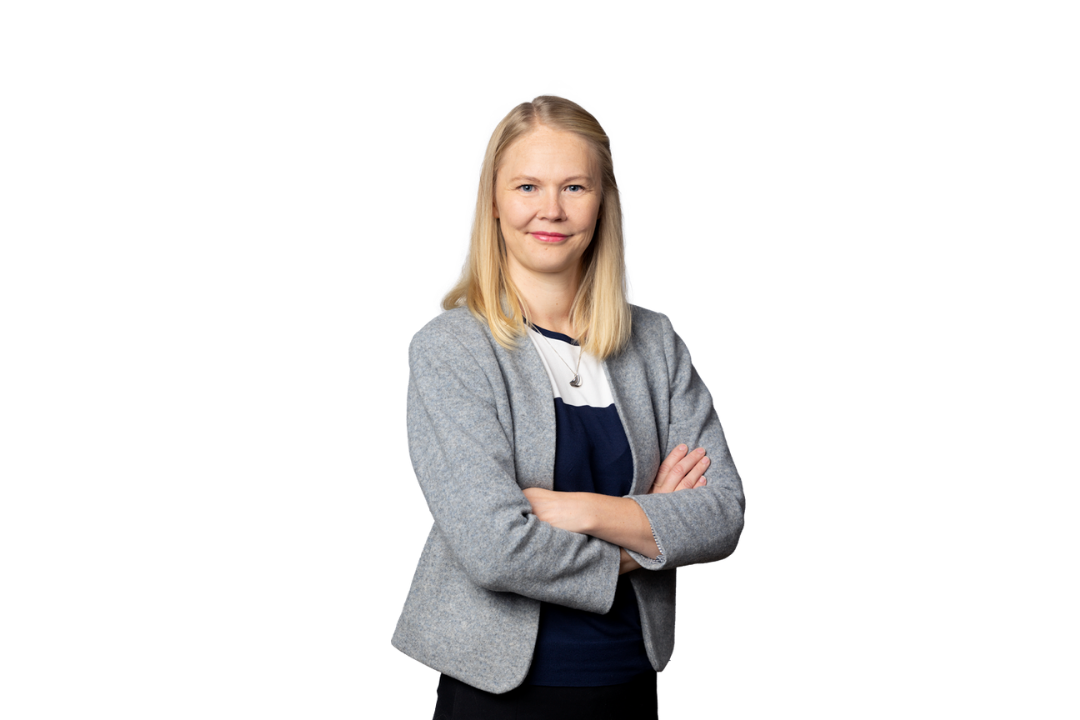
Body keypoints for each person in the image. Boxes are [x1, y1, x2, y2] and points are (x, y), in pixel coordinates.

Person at [395, 91, 746, 720]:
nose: (551, 210)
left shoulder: (654, 344)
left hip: (631, 682)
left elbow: (723, 515)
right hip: (496, 696)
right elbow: (496, 549)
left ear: (603, 202)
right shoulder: (450, 349)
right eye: (527, 186)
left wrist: (579, 509)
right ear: (494, 201)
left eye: (575, 187)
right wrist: (645, 535)